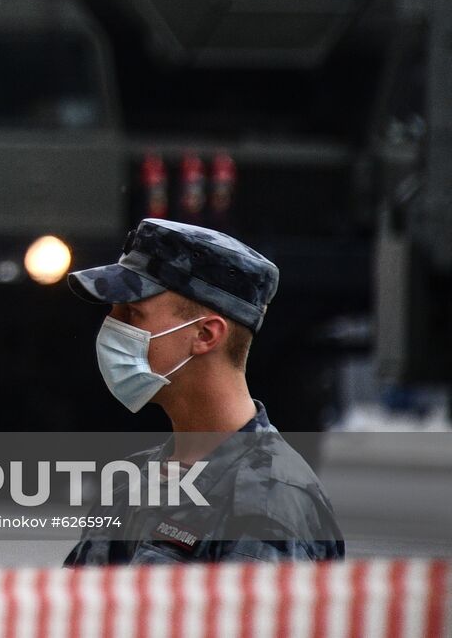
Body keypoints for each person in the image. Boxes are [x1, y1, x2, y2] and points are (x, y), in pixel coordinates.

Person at [62, 218, 344, 565]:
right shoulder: (130, 482)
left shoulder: (269, 500)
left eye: (133, 313)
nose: (112, 327)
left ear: (206, 335)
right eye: (113, 312)